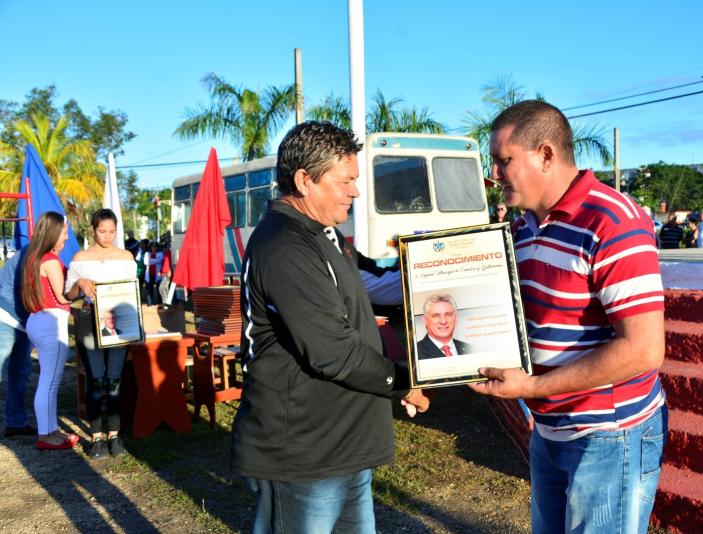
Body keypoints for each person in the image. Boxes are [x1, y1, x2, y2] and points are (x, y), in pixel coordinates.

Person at [470, 101, 667, 534]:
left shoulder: (612, 221)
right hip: (550, 427)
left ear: (545, 154)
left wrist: (534, 387)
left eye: (504, 162)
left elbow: (644, 349)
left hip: (608, 434)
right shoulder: (523, 229)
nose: (494, 174)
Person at [230, 121, 429, 534]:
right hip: (305, 455)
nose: (355, 192)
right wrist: (404, 381)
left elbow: (371, 287)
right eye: (346, 182)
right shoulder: (285, 246)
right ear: (305, 180)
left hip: (342, 447)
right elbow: (333, 351)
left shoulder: (323, 234)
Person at [65, 208, 135, 459]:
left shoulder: (126, 257)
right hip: (88, 321)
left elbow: (132, 291)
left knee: (114, 379)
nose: (107, 236)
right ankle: (96, 437)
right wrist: (79, 283)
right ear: (93, 230)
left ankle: (114, 434)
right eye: (102, 231)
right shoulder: (80, 257)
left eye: (112, 231)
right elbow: (68, 294)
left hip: (119, 321)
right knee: (96, 378)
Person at [20, 212, 80, 451]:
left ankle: (51, 430)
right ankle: (46, 434)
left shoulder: (35, 258)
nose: (66, 236)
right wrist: (81, 287)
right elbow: (63, 295)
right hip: (51, 322)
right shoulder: (51, 261)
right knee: (50, 382)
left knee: (50, 380)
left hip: (38, 319)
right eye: (64, 231)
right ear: (54, 233)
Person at [0, 246, 36, 438]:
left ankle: (16, 422)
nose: (65, 238)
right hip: (5, 317)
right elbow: (5, 288)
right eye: (63, 233)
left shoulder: (45, 255)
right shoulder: (28, 254)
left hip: (23, 323)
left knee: (20, 373)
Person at [416, 293, 474, 359]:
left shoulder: (470, 349)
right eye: (436, 316)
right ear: (425, 321)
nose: (443, 321)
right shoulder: (415, 353)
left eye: (448, 314)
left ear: (456, 319)